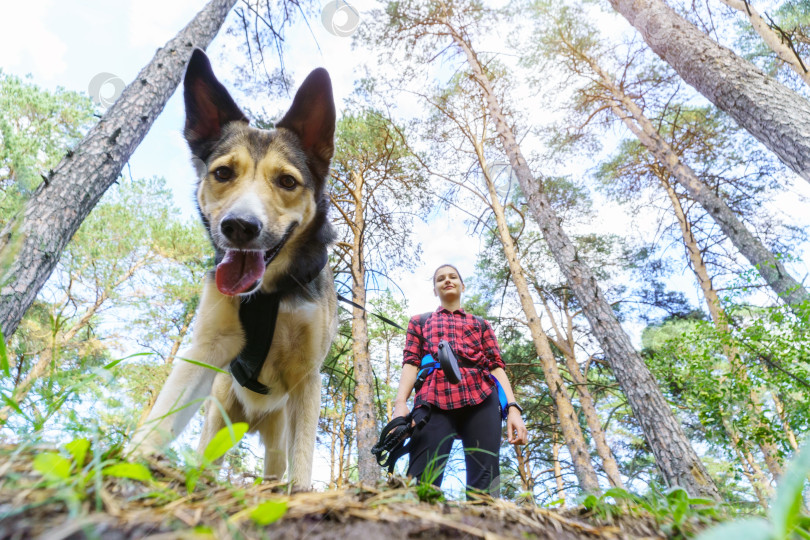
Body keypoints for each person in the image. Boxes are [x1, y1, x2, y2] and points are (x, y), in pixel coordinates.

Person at [392, 264, 528, 498]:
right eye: (440, 279)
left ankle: (485, 529)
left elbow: (496, 366)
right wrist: (400, 404)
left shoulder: (481, 324)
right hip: (432, 398)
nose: (447, 280)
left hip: (482, 397)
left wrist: (513, 409)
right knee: (422, 477)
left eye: (453, 277)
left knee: (486, 482)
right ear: (435, 290)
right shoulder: (419, 322)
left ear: (462, 285)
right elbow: (411, 362)